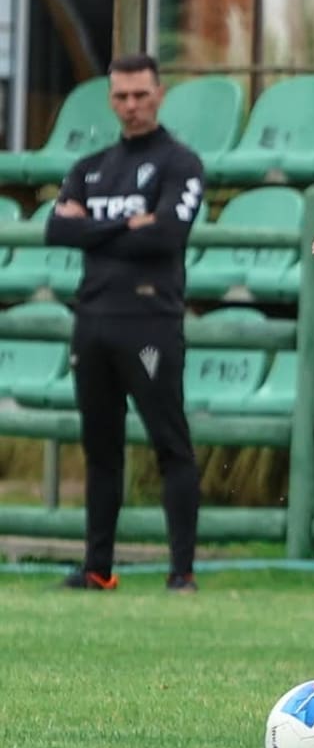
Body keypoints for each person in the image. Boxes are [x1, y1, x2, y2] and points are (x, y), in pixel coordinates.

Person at [46, 54, 205, 593]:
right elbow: (55, 230)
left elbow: (166, 235)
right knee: (101, 449)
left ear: (160, 93)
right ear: (110, 99)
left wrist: (93, 223)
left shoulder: (180, 163)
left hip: (151, 323)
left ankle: (181, 572)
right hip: (91, 322)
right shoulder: (90, 166)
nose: (131, 106)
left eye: (140, 95)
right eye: (121, 97)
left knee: (170, 445)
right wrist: (129, 222)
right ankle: (98, 568)